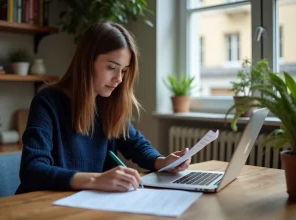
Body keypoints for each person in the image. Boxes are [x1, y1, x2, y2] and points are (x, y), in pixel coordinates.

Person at [16, 21, 191, 194]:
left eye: (123, 71)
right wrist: (96, 179)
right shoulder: (47, 102)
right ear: (87, 61)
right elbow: (32, 171)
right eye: (112, 67)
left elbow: (137, 146)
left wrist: (163, 162)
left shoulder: (107, 103)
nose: (119, 79)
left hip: (86, 204)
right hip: (44, 206)